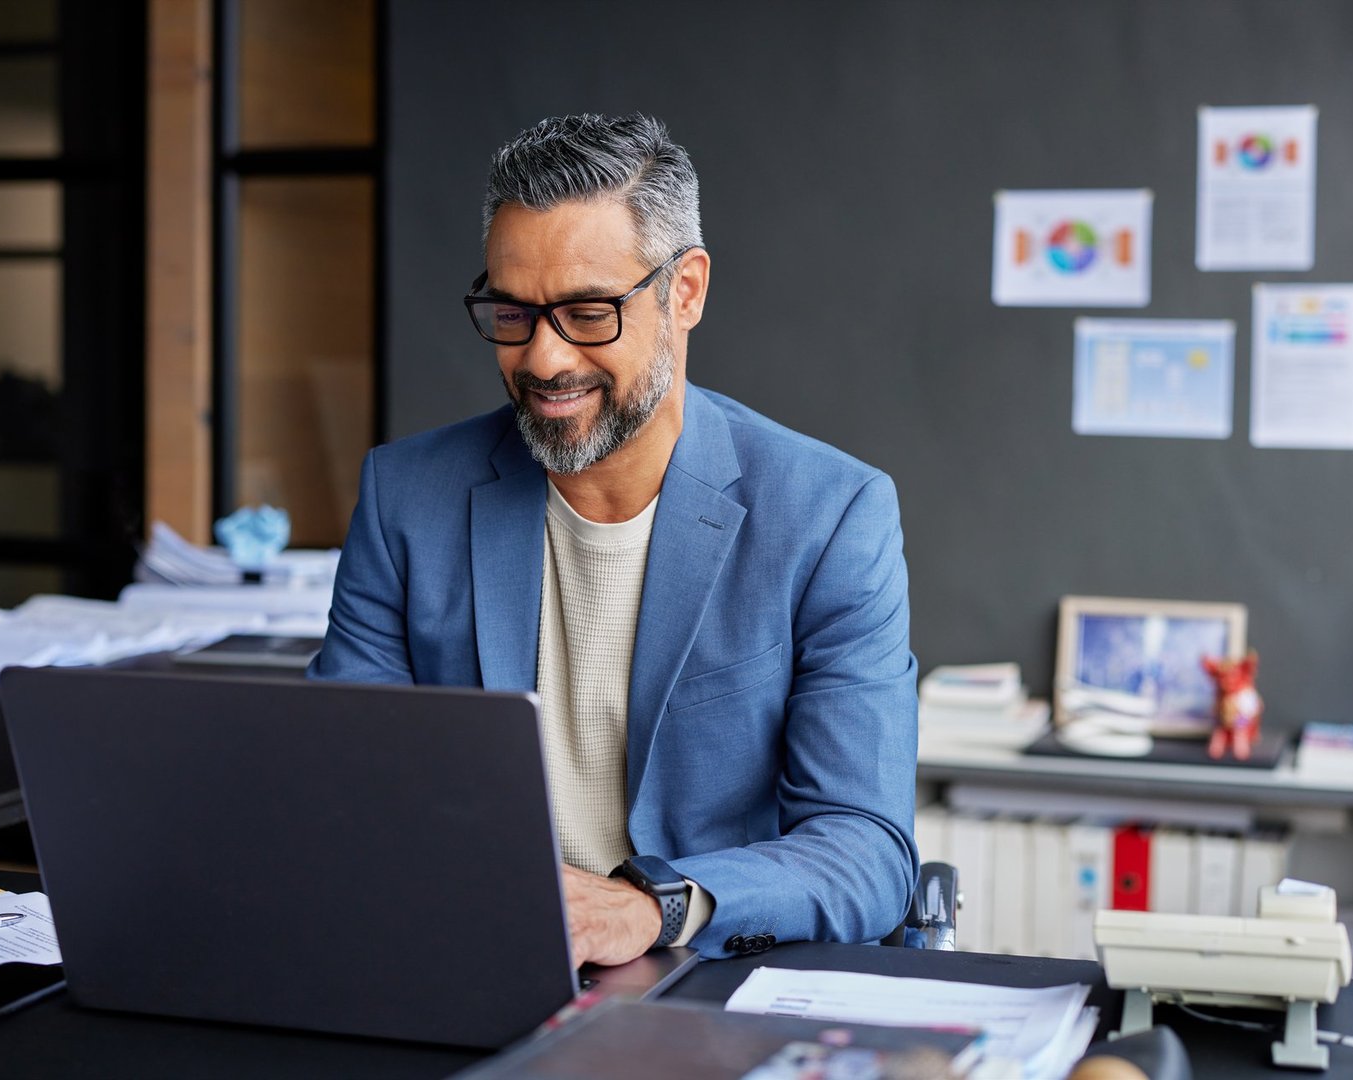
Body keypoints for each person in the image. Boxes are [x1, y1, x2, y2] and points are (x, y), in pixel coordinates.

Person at [310, 113, 917, 967]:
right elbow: (343, 786)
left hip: (702, 981)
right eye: (513, 314)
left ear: (687, 291)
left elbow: (866, 848)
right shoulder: (406, 498)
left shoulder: (828, 514)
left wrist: (652, 909)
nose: (545, 360)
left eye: (589, 312)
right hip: (462, 958)